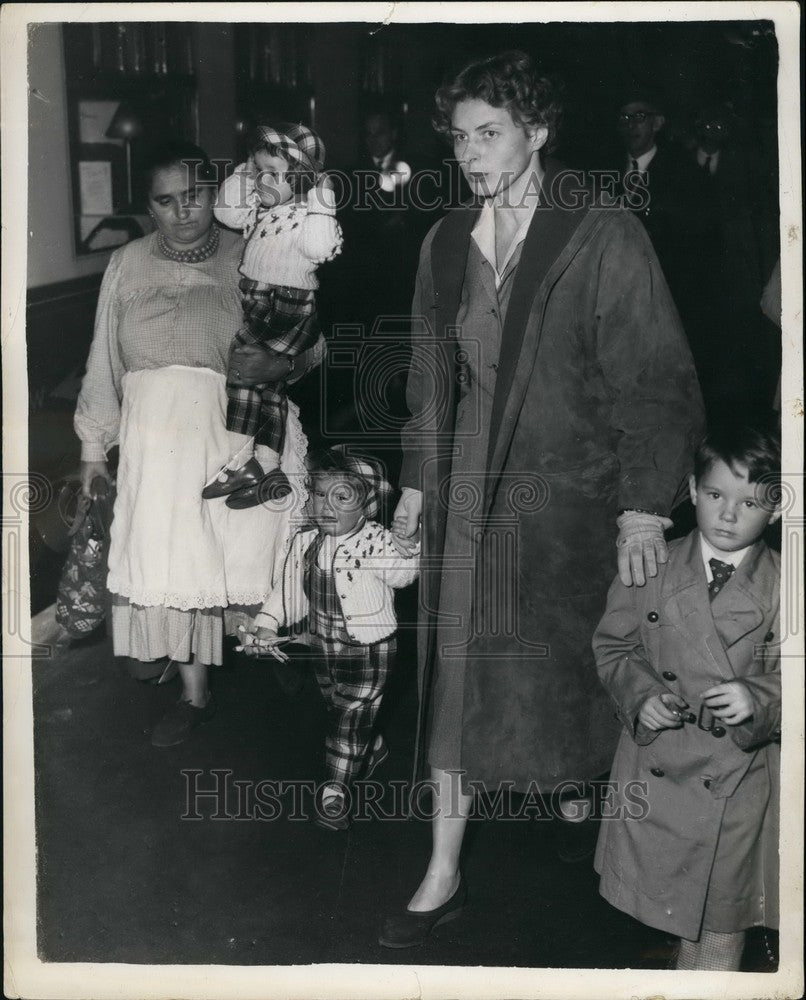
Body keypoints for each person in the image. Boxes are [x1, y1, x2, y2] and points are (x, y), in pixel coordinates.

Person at [380, 50, 704, 949]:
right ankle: (443, 865)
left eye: (491, 133)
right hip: (465, 488)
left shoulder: (599, 231)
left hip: (567, 496)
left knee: (564, 678)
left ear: (539, 132)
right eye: (460, 137)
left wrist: (644, 505)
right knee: (458, 676)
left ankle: (579, 804)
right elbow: (425, 374)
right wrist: (414, 481)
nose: (472, 153)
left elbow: (658, 379)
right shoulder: (445, 241)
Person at [74, 139, 320, 748]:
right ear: (149, 208)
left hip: (235, 432)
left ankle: (274, 646)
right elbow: (103, 358)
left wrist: (278, 367)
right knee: (176, 564)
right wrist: (90, 450)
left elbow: (311, 344)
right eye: (166, 201)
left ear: (217, 196)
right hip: (155, 439)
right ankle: (194, 694)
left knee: (245, 554)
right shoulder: (127, 263)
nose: (183, 211)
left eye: (195, 196)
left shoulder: (257, 250)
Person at [593, 424, 781, 971]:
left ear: (775, 508)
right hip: (659, 763)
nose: (728, 515)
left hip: (743, 783)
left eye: (750, 502)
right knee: (683, 914)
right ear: (694, 491)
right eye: (717, 495)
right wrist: (642, 695)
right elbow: (614, 647)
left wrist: (760, 697)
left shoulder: (787, 584)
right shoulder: (649, 564)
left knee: (723, 921)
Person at [240, 447, 419, 830]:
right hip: (325, 646)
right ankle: (370, 746)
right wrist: (267, 623)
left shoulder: (376, 541)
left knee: (347, 715)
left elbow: (403, 574)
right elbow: (287, 593)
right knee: (337, 704)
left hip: (370, 649)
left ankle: (335, 791)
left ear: (368, 507)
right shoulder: (306, 542)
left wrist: (411, 542)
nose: (326, 506)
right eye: (320, 494)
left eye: (342, 498)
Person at [203, 122, 343, 508]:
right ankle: (268, 467)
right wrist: (246, 170)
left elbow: (319, 247)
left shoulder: (304, 215)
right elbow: (225, 212)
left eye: (275, 175)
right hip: (262, 300)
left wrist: (321, 197)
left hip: (287, 303)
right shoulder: (266, 210)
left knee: (243, 373)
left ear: (300, 180)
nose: (264, 182)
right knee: (268, 388)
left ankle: (239, 462)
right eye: (261, 171)